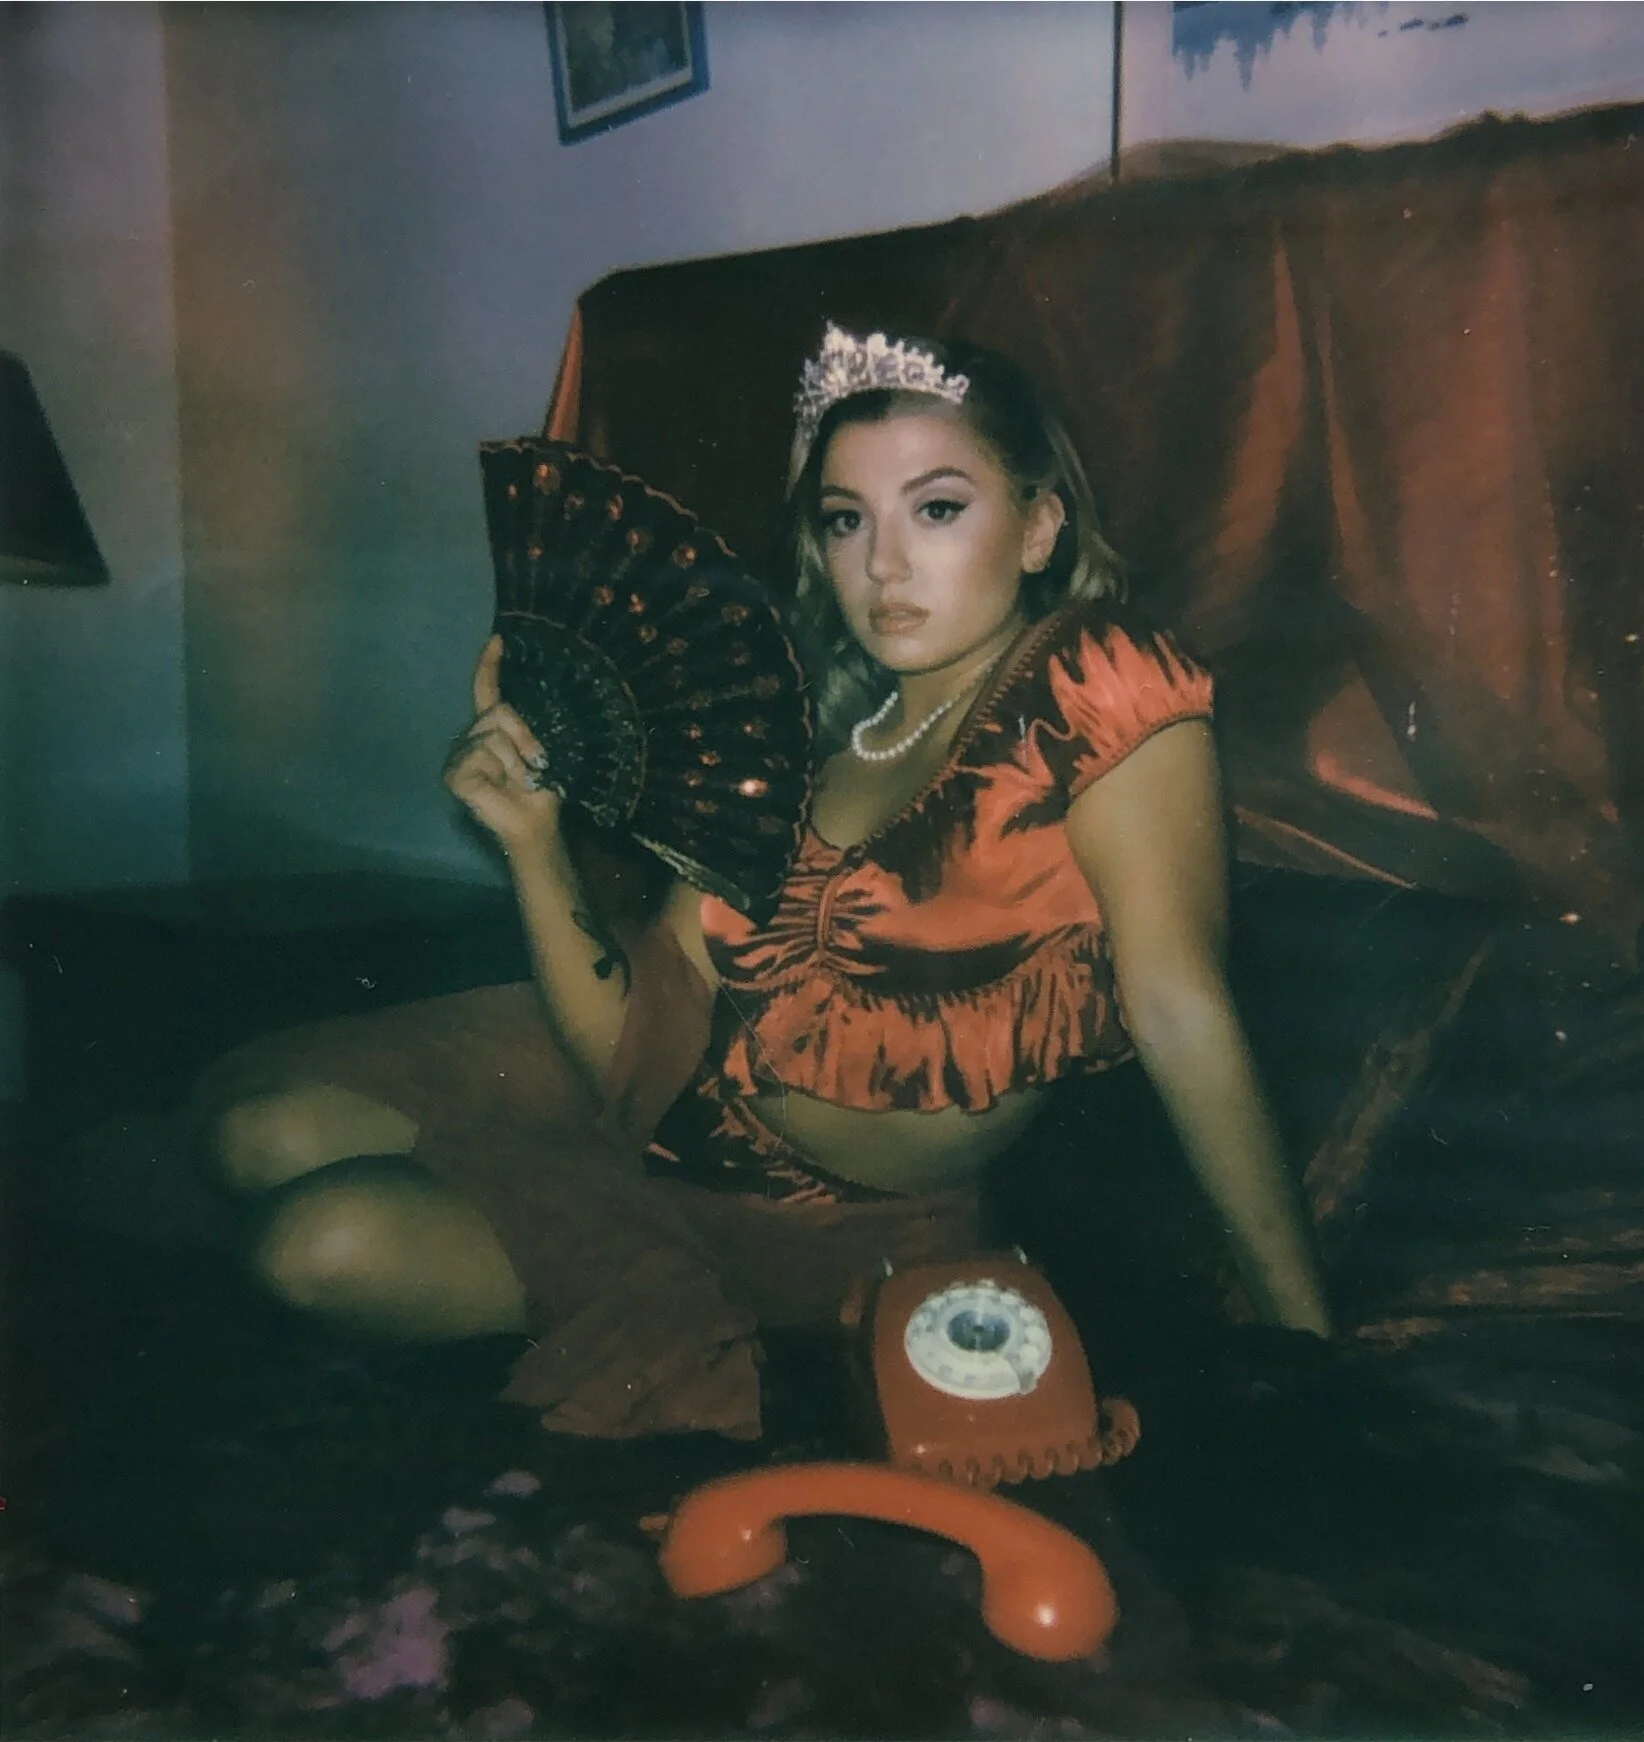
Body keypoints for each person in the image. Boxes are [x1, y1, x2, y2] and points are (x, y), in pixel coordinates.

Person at [188, 324, 1330, 1441]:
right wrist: (532, 842)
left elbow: (1180, 1007)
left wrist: (1304, 1340)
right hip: (637, 1103)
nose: (883, 565)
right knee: (251, 1135)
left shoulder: (1092, 677)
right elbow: (636, 1051)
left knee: (307, 1247)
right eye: (846, 519)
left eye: (936, 508)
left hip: (809, 1233)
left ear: (1037, 527)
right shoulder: (812, 745)